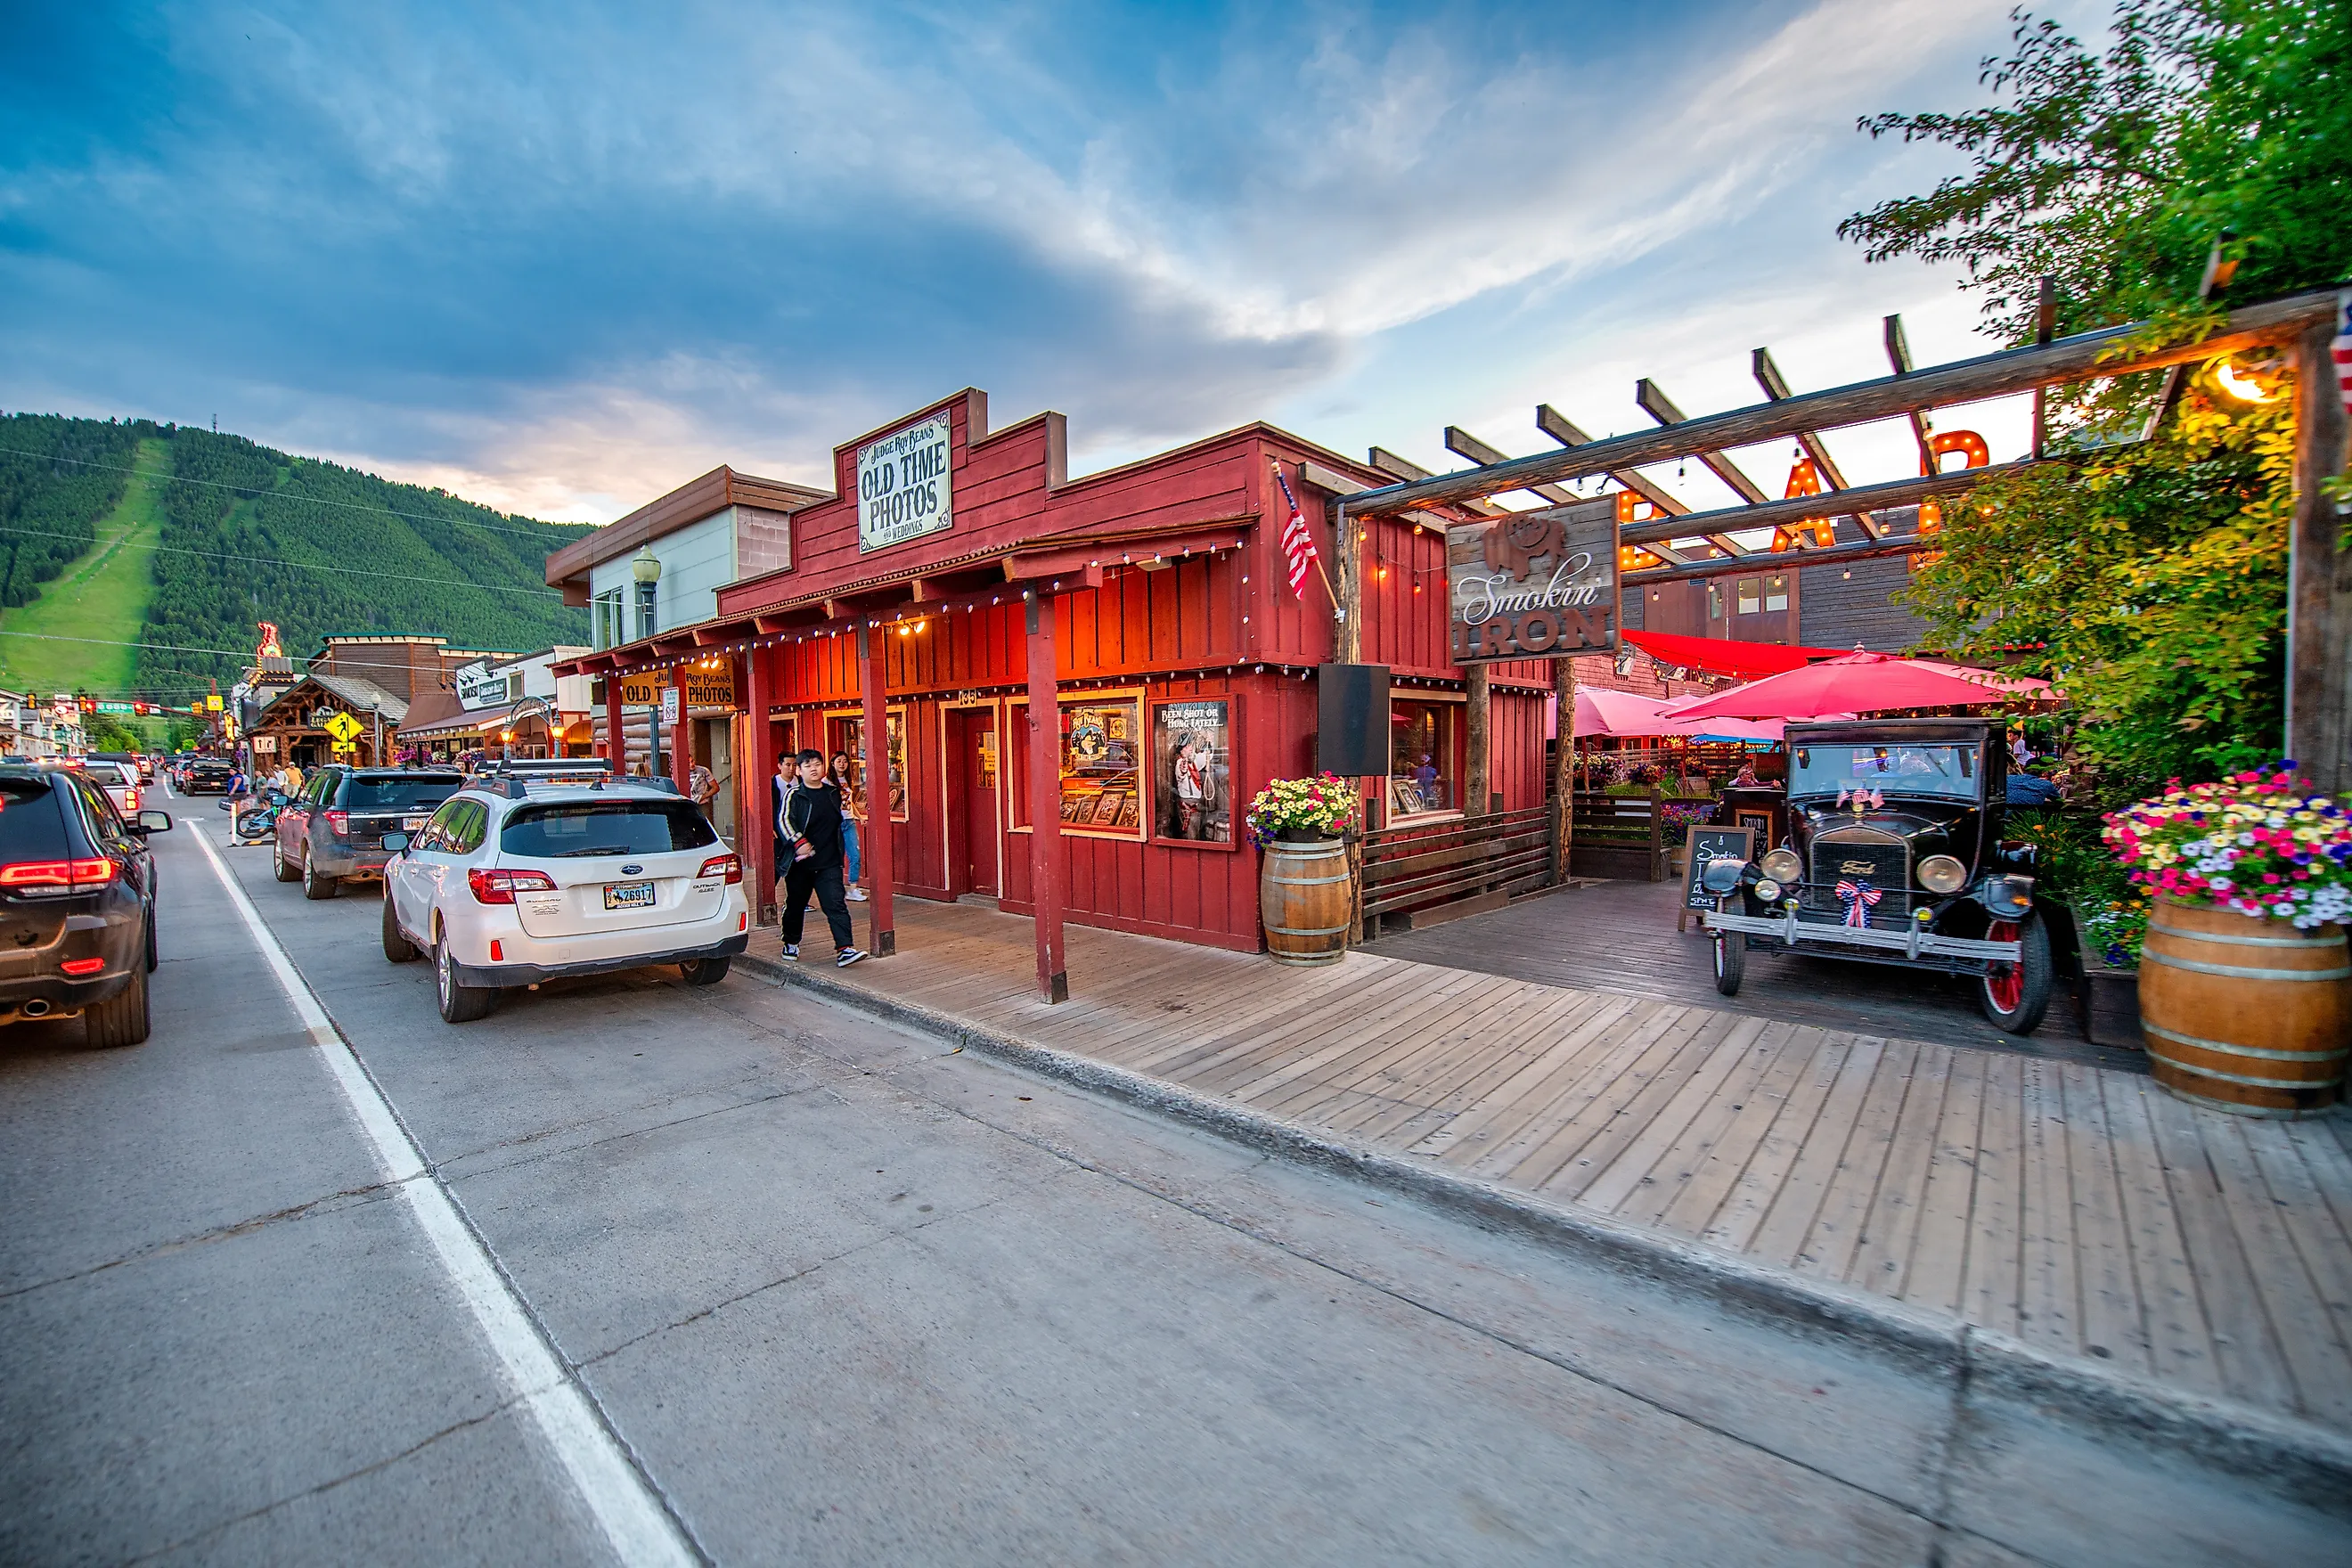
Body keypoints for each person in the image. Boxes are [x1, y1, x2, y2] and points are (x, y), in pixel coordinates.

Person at [779, 748, 864, 967]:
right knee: (796, 905)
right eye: (807, 766)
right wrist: (799, 843)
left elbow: (840, 821)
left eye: (817, 764)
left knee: (835, 903)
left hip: (829, 862)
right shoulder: (795, 795)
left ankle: (845, 948)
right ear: (799, 770)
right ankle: (791, 942)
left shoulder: (832, 792)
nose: (813, 769)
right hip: (801, 864)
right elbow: (783, 821)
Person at [829, 751, 866, 900]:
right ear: (833, 763)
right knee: (835, 856)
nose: (842, 764)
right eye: (839, 761)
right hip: (835, 823)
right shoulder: (827, 782)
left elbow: (848, 802)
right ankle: (836, 888)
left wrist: (859, 816)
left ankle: (853, 888)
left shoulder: (847, 779)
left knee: (855, 855)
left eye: (845, 761)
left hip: (849, 821)